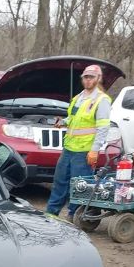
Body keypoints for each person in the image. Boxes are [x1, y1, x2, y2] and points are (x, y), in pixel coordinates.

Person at [46, 64, 112, 218]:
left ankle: (74, 216)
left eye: (91, 77)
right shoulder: (77, 98)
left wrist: (94, 150)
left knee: (80, 186)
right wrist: (63, 122)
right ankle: (51, 214)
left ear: (98, 78)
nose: (88, 80)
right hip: (69, 148)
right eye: (86, 77)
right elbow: (73, 118)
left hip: (84, 151)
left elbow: (103, 128)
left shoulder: (101, 100)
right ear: (82, 79)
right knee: (60, 182)